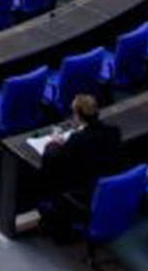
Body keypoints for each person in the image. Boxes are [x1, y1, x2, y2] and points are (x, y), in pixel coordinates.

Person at [39, 94, 125, 234]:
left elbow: (55, 157)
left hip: (85, 188)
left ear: (78, 116)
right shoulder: (114, 131)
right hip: (105, 181)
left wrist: (53, 142)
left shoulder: (77, 140)